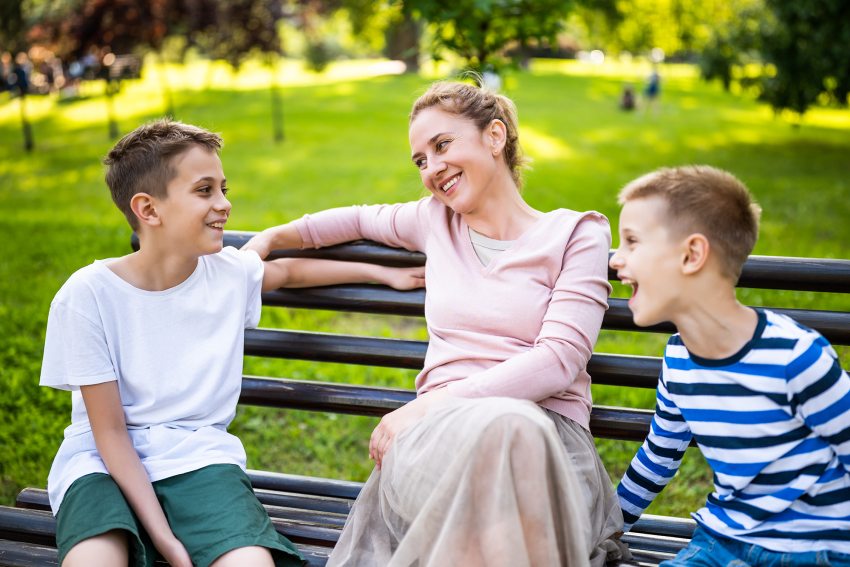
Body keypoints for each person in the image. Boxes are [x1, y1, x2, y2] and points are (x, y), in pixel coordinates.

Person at [243, 81, 630, 566]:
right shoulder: (434, 221)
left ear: (495, 136)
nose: (431, 169)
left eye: (442, 145)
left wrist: (427, 406)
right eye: (420, 160)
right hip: (437, 444)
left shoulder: (577, 233)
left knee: (512, 430)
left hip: (545, 440)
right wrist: (271, 237)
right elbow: (356, 220)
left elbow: (558, 361)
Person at [40, 119, 425, 567]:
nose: (224, 204)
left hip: (198, 460)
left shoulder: (227, 273)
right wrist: (164, 538)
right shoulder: (87, 295)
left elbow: (289, 273)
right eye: (204, 191)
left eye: (224, 189)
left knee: (249, 562)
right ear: (148, 209)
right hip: (100, 464)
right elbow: (109, 433)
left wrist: (382, 273)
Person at [609, 165, 850, 566]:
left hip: (816, 550)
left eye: (632, 242)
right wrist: (603, 527)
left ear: (692, 255)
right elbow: (658, 456)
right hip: (722, 543)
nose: (616, 260)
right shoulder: (679, 360)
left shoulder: (796, 357)